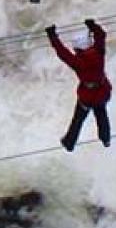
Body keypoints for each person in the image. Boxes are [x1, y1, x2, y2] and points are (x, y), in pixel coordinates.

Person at [47, 18, 112, 151]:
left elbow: (62, 52)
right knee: (102, 116)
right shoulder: (99, 52)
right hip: (102, 91)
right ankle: (106, 140)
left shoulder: (78, 62)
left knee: (78, 120)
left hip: (87, 95)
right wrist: (93, 26)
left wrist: (52, 36)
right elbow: (101, 36)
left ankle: (69, 143)